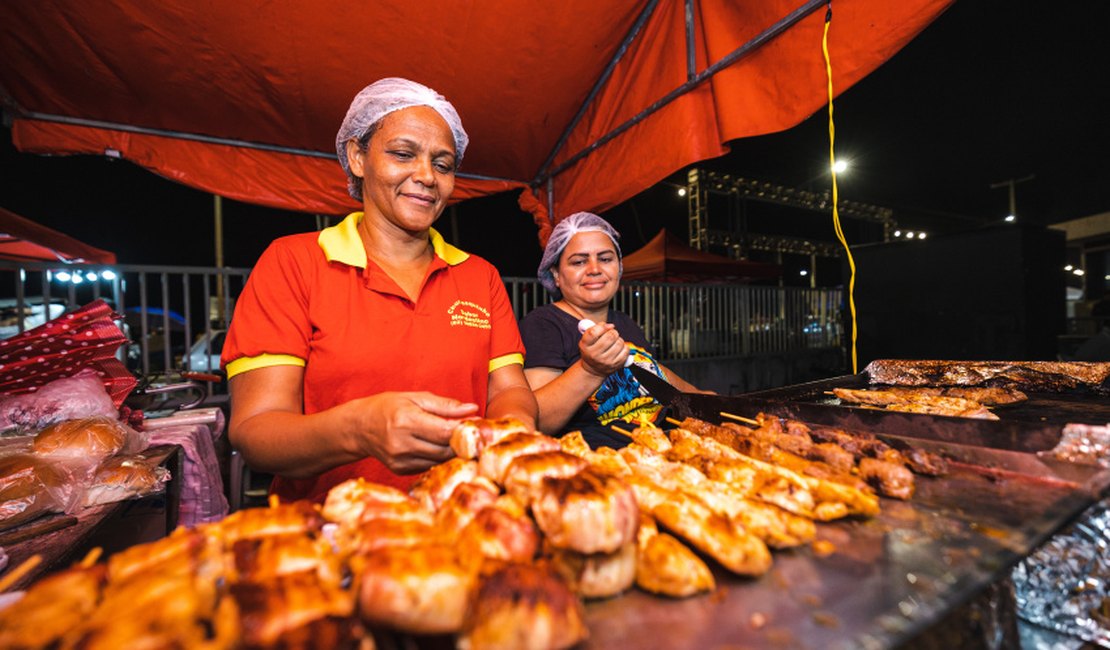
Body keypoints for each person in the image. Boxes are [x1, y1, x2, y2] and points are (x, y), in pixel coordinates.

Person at [221, 78, 537, 503]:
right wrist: (359, 429)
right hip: (333, 529)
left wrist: (508, 437)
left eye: (443, 165)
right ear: (357, 157)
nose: (426, 176)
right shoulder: (294, 263)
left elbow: (509, 391)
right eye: (403, 154)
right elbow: (257, 431)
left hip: (464, 514)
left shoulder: (479, 276)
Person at [519, 212, 709, 449]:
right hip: (602, 465)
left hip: (660, 449)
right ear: (556, 274)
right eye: (579, 262)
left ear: (619, 267)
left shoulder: (624, 322)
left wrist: (703, 398)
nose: (594, 269)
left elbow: (655, 373)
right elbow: (537, 420)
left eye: (605, 259)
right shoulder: (543, 324)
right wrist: (590, 369)